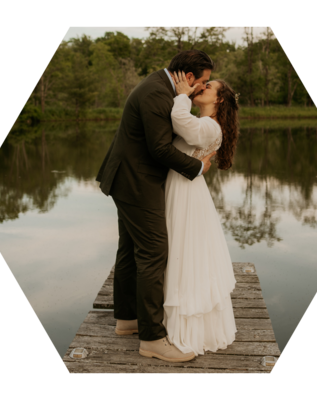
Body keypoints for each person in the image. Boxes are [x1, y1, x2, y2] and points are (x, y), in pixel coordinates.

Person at [96, 50, 227, 363]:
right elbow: (159, 149)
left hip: (128, 179)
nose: (202, 87)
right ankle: (153, 339)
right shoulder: (158, 92)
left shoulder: (160, 86)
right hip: (137, 181)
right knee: (154, 252)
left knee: (130, 249)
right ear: (190, 77)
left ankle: (128, 319)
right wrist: (198, 169)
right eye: (204, 81)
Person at [162, 70, 240, 356]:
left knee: (185, 252)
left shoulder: (210, 126)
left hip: (185, 193)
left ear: (218, 99)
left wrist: (182, 95)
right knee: (183, 251)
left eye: (208, 87)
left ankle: (184, 330)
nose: (201, 87)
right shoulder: (206, 122)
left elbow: (181, 123)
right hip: (184, 189)